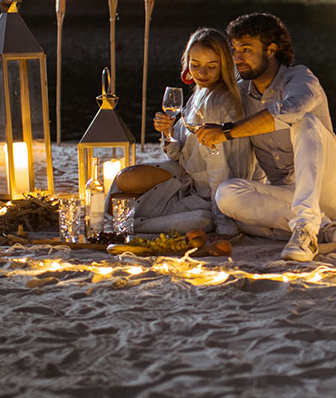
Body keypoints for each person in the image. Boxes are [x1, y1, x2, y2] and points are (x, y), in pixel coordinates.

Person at [201, 13, 336, 262]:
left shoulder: (300, 78)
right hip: (287, 192)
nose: (237, 58)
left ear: (271, 50)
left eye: (245, 49)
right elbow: (206, 106)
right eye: (233, 50)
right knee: (226, 194)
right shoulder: (241, 92)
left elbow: (293, 109)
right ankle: (325, 227)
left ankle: (306, 228)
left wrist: (229, 131)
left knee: (303, 120)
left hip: (334, 187)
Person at [108, 27, 255, 239]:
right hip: (186, 177)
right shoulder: (200, 93)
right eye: (195, 65)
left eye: (211, 67)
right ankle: (133, 220)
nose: (202, 73)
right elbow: (177, 155)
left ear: (223, 66)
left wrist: (224, 220)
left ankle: (135, 226)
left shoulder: (218, 103)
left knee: (199, 221)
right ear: (187, 63)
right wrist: (167, 132)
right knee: (124, 182)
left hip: (211, 191)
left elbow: (218, 167)